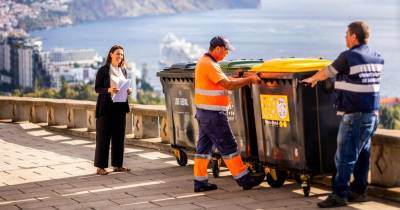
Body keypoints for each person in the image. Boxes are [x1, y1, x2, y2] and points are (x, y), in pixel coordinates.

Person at [302, 21, 384, 208]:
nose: (345, 37)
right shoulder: (377, 57)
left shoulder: (349, 56)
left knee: (344, 157)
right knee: (362, 155)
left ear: (354, 36)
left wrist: (312, 79)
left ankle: (339, 195)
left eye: (347, 34)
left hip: (354, 115)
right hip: (372, 115)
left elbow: (327, 72)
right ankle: (359, 191)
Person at [193, 35, 265, 192]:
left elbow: (221, 82)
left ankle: (200, 182)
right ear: (218, 48)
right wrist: (250, 79)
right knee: (228, 145)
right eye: (226, 51)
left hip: (204, 113)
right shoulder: (210, 65)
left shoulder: (205, 62)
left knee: (203, 149)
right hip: (213, 115)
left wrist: (238, 77)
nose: (227, 54)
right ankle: (244, 179)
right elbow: (227, 85)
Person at [94, 45, 132, 175]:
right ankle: (100, 167)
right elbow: (97, 88)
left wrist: (128, 91)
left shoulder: (123, 71)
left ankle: (117, 165)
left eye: (121, 54)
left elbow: (124, 86)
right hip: (106, 108)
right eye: (117, 53)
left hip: (120, 107)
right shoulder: (103, 70)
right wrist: (109, 90)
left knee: (119, 138)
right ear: (111, 54)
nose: (120, 56)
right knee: (103, 138)